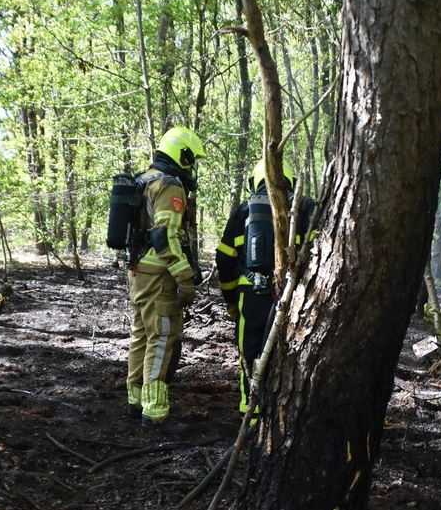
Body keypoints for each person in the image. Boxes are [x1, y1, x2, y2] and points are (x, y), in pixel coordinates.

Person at [216, 158, 316, 424]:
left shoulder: (243, 210)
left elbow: (224, 259)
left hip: (249, 297)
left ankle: (251, 413)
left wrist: (230, 300)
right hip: (292, 298)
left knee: (249, 353)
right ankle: (282, 411)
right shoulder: (306, 207)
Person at [126, 126, 206, 434]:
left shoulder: (144, 180)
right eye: (191, 158)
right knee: (162, 338)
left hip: (138, 271)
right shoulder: (169, 185)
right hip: (159, 274)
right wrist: (184, 277)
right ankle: (156, 412)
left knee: (142, 335)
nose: (192, 166)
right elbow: (165, 234)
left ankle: (135, 399)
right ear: (181, 154)